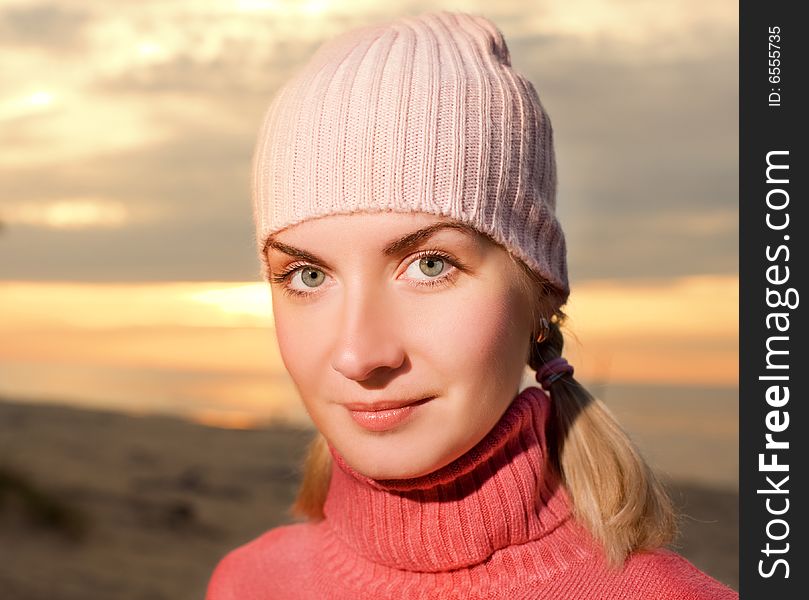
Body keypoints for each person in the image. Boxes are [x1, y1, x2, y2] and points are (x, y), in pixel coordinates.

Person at [205, 10, 737, 600]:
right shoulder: (248, 583)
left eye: (430, 265)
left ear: (539, 292)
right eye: (307, 275)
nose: (360, 355)